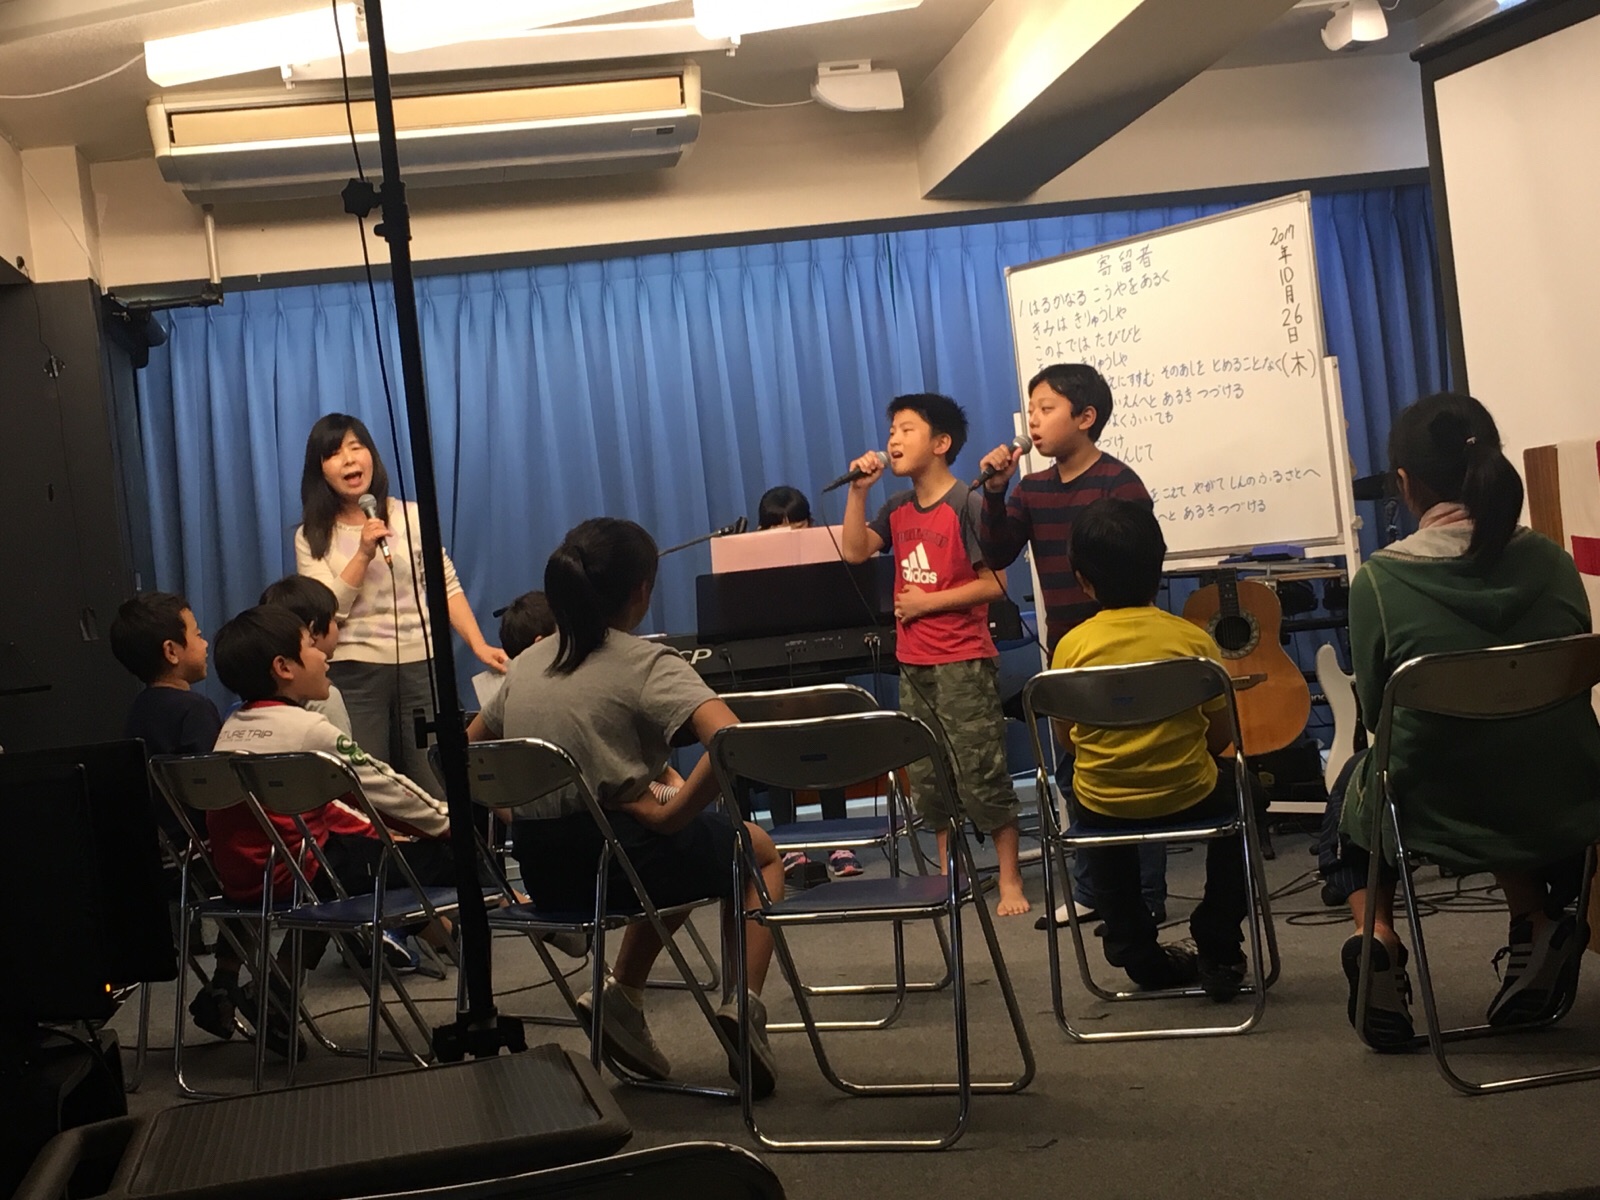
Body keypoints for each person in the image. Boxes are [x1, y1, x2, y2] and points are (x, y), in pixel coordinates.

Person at [467, 518, 787, 1097]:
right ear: (641, 590)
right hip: (624, 862)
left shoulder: (525, 666)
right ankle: (744, 1006)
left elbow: (466, 757)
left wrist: (519, 812)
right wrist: (672, 812)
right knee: (756, 854)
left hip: (543, 872)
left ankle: (623, 996)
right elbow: (731, 741)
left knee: (687, 853)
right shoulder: (646, 662)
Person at [1318, 392, 1600, 1048]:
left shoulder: (1381, 581)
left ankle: (1376, 936)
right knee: (1509, 757)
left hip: (1436, 797)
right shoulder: (1554, 562)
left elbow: (1376, 714)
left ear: (1405, 482)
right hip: (1566, 794)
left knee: (1358, 785)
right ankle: (1536, 922)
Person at [974, 363, 1166, 931]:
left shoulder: (1119, 484)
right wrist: (994, 492)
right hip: (1067, 653)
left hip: (1125, 648)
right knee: (1073, 773)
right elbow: (997, 552)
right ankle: (1092, 891)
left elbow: (1141, 561)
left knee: (1135, 773)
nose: (1032, 421)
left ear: (1085, 418)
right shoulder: (1031, 488)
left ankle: (1146, 895)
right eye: (1031, 409)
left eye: (1046, 409)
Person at [1051, 498, 1254, 998]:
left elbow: (1065, 739)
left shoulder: (1071, 648)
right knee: (1248, 794)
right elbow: (1220, 738)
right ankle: (1218, 935)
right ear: (1159, 569)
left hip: (1104, 802)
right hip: (1188, 793)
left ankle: (1132, 943)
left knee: (1093, 802)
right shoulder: (1194, 644)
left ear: (1082, 580)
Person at [840, 394, 1030, 916]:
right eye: (891, 431)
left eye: (907, 430)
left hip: (963, 660)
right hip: (915, 663)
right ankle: (953, 874)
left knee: (980, 772)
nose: (893, 440)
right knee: (929, 779)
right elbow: (855, 551)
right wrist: (858, 492)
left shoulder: (967, 503)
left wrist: (928, 603)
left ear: (941, 443)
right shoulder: (897, 508)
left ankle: (1009, 877)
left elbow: (996, 583)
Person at [294, 413, 508, 795]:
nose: (349, 459)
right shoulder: (311, 536)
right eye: (335, 453)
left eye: (356, 447)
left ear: (372, 456)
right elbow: (324, 612)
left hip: (421, 667)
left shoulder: (411, 515)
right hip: (353, 671)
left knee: (434, 782)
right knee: (368, 785)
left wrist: (478, 645)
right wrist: (363, 554)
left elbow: (445, 584)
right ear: (320, 470)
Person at [110, 591, 238, 1041]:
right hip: (196, 862)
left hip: (156, 865)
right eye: (197, 635)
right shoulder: (195, 710)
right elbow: (217, 793)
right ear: (172, 650)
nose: (205, 643)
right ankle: (231, 985)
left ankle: (223, 990)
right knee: (273, 872)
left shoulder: (138, 711)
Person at [749, 485, 861, 881]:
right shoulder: (749, 570)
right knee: (780, 749)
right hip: (773, 672)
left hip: (822, 667)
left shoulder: (830, 558)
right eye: (777, 529)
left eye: (798, 527)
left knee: (828, 746)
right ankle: (788, 847)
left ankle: (841, 842)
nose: (789, 537)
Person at [260, 574, 352, 736]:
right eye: (334, 620)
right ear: (313, 630)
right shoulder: (324, 697)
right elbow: (340, 751)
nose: (337, 627)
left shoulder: (260, 695)